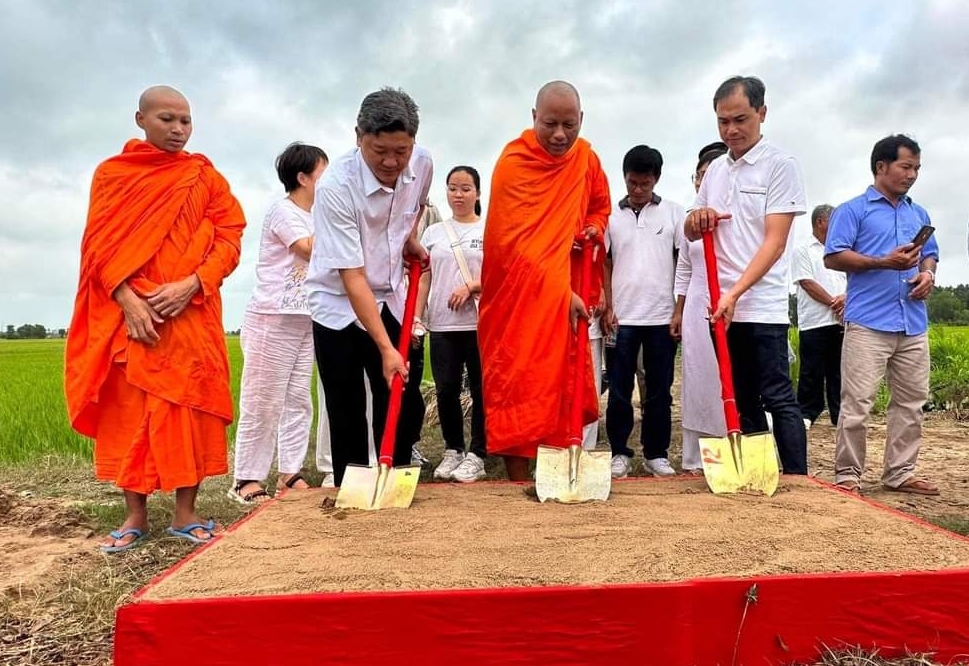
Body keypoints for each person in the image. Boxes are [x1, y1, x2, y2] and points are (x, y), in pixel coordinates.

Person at [65, 85, 246, 551]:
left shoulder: (205, 178)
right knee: (131, 413)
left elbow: (229, 236)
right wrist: (127, 299)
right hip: (133, 317)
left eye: (186, 121)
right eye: (167, 119)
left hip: (189, 312)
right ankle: (135, 514)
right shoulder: (114, 175)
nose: (179, 130)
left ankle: (186, 511)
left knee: (189, 410)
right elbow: (97, 247)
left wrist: (194, 283)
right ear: (140, 119)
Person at [478, 80, 611, 481]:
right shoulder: (514, 162)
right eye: (550, 123)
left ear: (581, 120)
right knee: (517, 382)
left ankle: (554, 472)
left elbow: (600, 208)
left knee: (560, 384)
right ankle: (517, 477)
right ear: (533, 118)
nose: (559, 135)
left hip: (566, 290)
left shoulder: (585, 159)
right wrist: (559, 292)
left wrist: (592, 227)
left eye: (569, 125)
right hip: (518, 300)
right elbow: (511, 246)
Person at [305, 87, 431, 488]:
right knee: (346, 406)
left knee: (404, 401)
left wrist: (409, 238)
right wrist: (385, 348)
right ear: (358, 136)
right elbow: (353, 277)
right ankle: (352, 489)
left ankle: (393, 478)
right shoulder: (336, 187)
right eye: (380, 151)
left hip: (392, 291)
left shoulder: (423, 163)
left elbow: (417, 203)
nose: (392, 162)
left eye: (402, 150)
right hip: (339, 302)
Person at [684, 75, 808, 475]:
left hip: (761, 306)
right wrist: (696, 218)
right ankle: (756, 474)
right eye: (723, 122)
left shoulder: (781, 166)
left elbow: (774, 243)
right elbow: (691, 227)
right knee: (740, 397)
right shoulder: (716, 171)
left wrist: (735, 292)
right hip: (721, 306)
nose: (731, 130)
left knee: (777, 396)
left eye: (740, 119)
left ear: (762, 113)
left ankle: (797, 480)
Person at [824, 134, 940, 495]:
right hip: (868, 323)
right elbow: (833, 255)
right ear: (881, 167)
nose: (912, 175)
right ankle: (848, 475)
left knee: (911, 403)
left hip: (912, 322)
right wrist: (881, 262)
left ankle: (900, 472)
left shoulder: (917, 213)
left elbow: (930, 252)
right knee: (857, 403)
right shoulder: (853, 210)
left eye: (917, 168)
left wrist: (928, 273)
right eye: (906, 167)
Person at [228, 143, 328, 504]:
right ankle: (247, 479)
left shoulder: (318, 215)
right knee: (263, 399)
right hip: (272, 318)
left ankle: (290, 471)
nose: (328, 183)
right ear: (302, 178)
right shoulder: (284, 212)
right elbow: (307, 249)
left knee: (299, 399)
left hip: (306, 318)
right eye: (323, 175)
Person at [602, 145, 684, 478]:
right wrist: (608, 304)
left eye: (644, 184)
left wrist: (679, 310)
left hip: (661, 317)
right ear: (624, 178)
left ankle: (656, 453)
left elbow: (684, 263)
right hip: (622, 319)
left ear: (656, 180)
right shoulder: (610, 215)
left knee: (659, 390)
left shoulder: (674, 213)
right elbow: (605, 263)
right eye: (632, 183)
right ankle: (619, 452)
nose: (637, 191)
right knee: (619, 390)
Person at [417, 166, 488, 482]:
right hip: (443, 325)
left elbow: (501, 275)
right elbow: (423, 278)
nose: (458, 195)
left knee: (481, 390)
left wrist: (472, 286)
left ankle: (479, 453)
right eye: (453, 188)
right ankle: (453, 448)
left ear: (478, 193)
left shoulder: (488, 230)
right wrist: (419, 318)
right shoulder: (434, 233)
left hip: (479, 325)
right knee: (445, 389)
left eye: (466, 188)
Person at [670, 142, 730, 475]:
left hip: (730, 300)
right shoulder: (690, 219)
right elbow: (684, 267)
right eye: (701, 175)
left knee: (726, 377)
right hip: (696, 302)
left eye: (713, 174)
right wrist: (678, 310)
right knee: (697, 376)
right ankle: (695, 458)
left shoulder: (732, 213)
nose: (705, 181)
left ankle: (727, 446)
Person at [792, 204, 846, 430]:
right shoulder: (803, 249)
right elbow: (806, 282)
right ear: (821, 222)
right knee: (811, 370)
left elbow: (852, 279)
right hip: (814, 321)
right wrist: (833, 302)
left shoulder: (841, 250)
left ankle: (839, 414)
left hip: (840, 320)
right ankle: (807, 412)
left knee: (838, 370)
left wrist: (845, 298)